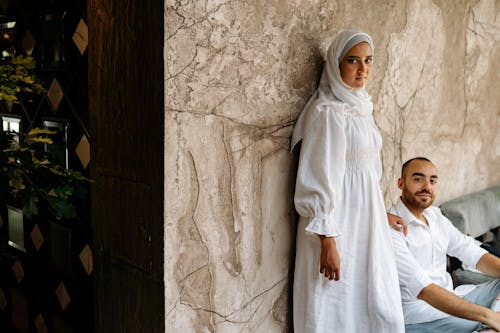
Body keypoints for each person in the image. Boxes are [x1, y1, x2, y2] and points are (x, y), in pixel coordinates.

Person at [291, 29, 405, 332]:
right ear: (336, 64)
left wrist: (379, 212)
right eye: (353, 61)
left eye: (368, 61)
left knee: (376, 303)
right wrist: (328, 242)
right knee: (334, 305)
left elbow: (366, 173)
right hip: (335, 226)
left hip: (366, 224)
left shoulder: (362, 107)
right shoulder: (328, 113)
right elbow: (318, 176)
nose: (363, 69)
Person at [390, 157, 500, 332]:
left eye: (432, 180)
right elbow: (424, 289)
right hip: (421, 316)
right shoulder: (391, 228)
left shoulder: (434, 216)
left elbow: (470, 251)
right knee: (489, 320)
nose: (427, 186)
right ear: (401, 183)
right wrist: (489, 316)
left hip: (455, 300)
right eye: (418, 179)